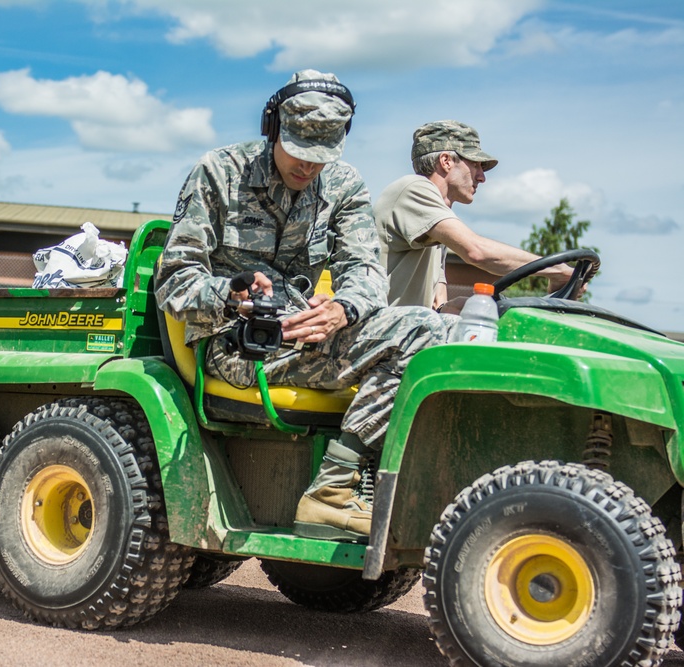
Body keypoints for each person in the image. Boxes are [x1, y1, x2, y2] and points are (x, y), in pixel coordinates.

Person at [155, 70, 452, 541]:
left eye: (322, 155)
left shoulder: (343, 185)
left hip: (308, 335)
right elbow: (174, 280)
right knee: (424, 332)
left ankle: (351, 481)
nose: (309, 166)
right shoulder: (219, 172)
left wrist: (343, 309)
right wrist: (230, 296)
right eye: (299, 150)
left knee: (441, 334)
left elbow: (366, 269)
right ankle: (334, 492)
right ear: (272, 128)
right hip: (237, 342)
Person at [374, 120, 577, 312]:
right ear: (446, 161)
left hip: (409, 330)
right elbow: (477, 251)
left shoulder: (437, 224)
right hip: (381, 331)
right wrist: (556, 269)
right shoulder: (413, 189)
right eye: (475, 165)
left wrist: (459, 308)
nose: (482, 177)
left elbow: (437, 304)